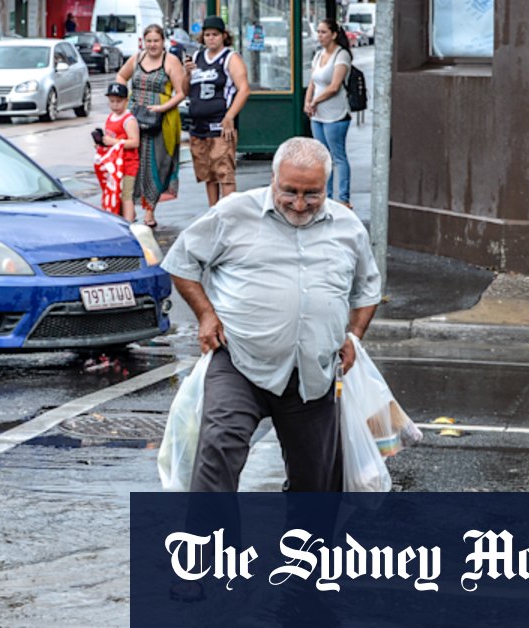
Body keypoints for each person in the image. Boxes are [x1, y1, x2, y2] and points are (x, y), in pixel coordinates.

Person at [160, 137, 382, 492]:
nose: (298, 203)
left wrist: (354, 335)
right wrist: (205, 315)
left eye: (312, 194)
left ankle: (304, 548)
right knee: (218, 449)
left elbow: (368, 288)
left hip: (313, 372)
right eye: (289, 190)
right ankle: (212, 547)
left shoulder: (348, 226)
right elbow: (182, 261)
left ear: (327, 184)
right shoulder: (234, 212)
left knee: (317, 485)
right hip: (240, 361)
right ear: (273, 178)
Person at [115, 24, 186, 228]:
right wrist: (124, 99)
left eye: (156, 41)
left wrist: (163, 107)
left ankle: (149, 211)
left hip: (161, 122)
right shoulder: (137, 58)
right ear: (143, 42)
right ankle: (128, 210)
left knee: (156, 165)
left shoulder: (171, 61)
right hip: (135, 120)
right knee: (132, 164)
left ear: (163, 41)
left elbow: (181, 92)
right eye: (149, 41)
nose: (152, 45)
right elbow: (121, 76)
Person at [182, 15, 250, 207]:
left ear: (223, 36)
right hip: (198, 125)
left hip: (219, 124)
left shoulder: (230, 58)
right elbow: (185, 90)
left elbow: (244, 89)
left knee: (224, 172)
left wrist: (230, 116)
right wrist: (187, 73)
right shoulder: (196, 57)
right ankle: (213, 212)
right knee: (208, 174)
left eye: (215, 34)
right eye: (207, 34)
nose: (211, 38)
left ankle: (229, 214)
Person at [304, 18, 353, 208]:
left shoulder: (342, 56)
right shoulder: (318, 55)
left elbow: (334, 86)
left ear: (333, 34)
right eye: (318, 32)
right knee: (322, 157)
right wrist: (307, 102)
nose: (320, 36)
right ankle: (326, 195)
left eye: (323, 32)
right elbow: (313, 82)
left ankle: (343, 198)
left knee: (337, 156)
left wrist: (315, 101)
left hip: (335, 114)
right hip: (317, 115)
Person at [97, 82, 140, 222]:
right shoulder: (111, 117)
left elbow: (135, 142)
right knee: (116, 192)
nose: (115, 105)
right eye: (112, 101)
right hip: (114, 164)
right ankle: (129, 215)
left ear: (126, 101)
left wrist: (113, 143)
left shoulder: (129, 120)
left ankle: (128, 223)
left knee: (126, 194)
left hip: (128, 164)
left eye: (119, 101)